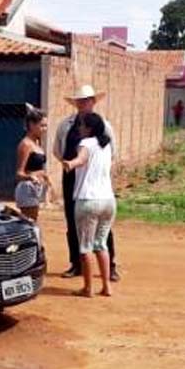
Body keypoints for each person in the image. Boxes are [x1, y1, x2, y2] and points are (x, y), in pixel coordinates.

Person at [52, 85, 120, 281]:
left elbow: (111, 152)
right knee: (73, 221)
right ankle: (76, 263)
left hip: (95, 178)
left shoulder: (104, 125)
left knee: (101, 225)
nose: (83, 104)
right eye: (80, 101)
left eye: (87, 100)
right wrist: (69, 167)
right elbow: (58, 149)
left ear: (93, 102)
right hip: (71, 178)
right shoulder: (66, 125)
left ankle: (110, 266)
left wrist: (87, 167)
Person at [61, 113, 116, 298]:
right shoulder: (105, 145)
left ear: (89, 128)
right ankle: (107, 287)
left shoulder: (86, 144)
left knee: (85, 247)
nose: (79, 128)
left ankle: (88, 288)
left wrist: (71, 163)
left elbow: (82, 159)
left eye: (82, 125)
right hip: (108, 200)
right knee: (101, 245)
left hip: (88, 200)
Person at [14, 108, 52, 221]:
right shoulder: (26, 145)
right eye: (42, 126)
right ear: (31, 125)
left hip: (35, 189)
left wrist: (44, 177)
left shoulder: (36, 143)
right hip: (27, 189)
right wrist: (30, 177)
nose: (44, 129)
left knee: (32, 221)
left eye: (46, 126)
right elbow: (19, 173)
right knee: (30, 223)